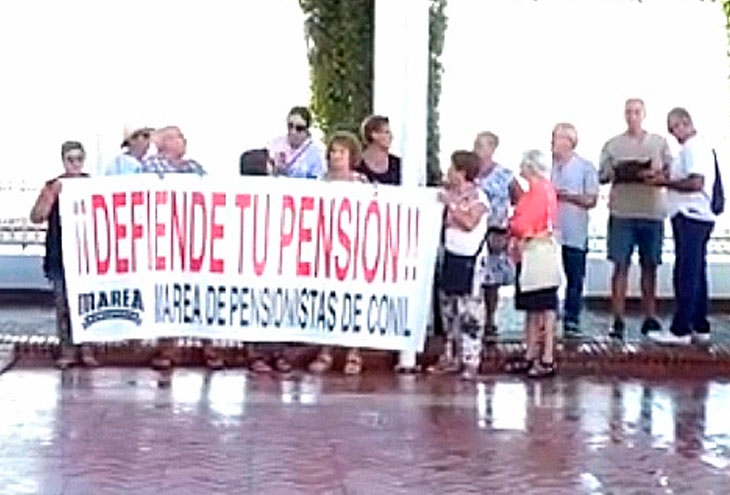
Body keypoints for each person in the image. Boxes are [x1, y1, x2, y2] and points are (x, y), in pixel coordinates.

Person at [141, 126, 222, 370]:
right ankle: (168, 350)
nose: (184, 141)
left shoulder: (194, 167)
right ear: (165, 142)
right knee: (169, 296)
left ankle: (209, 347)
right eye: (179, 137)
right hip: (167, 243)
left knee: (200, 295)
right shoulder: (151, 166)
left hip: (194, 241)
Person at [598, 98, 673, 338]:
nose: (632, 116)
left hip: (652, 212)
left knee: (650, 265)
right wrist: (617, 172)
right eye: (628, 112)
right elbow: (601, 176)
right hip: (622, 212)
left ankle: (650, 316)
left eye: (637, 112)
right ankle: (617, 318)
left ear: (644, 114)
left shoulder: (659, 143)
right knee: (620, 265)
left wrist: (654, 174)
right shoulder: (612, 145)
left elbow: (672, 171)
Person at [647, 108, 716, 345]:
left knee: (686, 272)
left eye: (674, 128)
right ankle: (699, 324)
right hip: (697, 217)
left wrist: (664, 182)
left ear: (684, 123)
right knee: (697, 271)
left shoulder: (693, 148)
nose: (674, 135)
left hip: (691, 216)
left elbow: (696, 182)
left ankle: (681, 329)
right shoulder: (697, 148)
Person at [30, 141, 98, 369]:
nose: (75, 164)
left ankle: (87, 350)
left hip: (87, 257)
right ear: (63, 161)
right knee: (63, 307)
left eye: (79, 159)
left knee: (88, 306)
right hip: (60, 255)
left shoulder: (93, 185)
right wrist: (50, 196)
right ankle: (67, 350)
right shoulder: (53, 186)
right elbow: (36, 217)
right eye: (70, 159)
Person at [308, 131, 368, 376]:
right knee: (327, 300)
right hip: (326, 247)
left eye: (341, 152)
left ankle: (354, 352)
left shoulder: (361, 183)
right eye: (333, 151)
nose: (336, 156)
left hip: (353, 248)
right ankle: (326, 350)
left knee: (353, 300)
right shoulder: (320, 182)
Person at [429, 150, 490, 379]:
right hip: (450, 255)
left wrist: (452, 206)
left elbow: (469, 223)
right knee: (449, 310)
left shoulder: (479, 197)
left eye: (452, 168)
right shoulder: (447, 194)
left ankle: (471, 360)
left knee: (469, 310)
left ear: (462, 172)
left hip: (471, 259)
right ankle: (450, 356)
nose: (448, 172)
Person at [505, 150, 560, 378]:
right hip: (531, 251)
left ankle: (546, 356)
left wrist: (513, 227)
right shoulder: (537, 191)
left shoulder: (540, 191)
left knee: (543, 305)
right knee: (532, 306)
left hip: (537, 251)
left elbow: (524, 223)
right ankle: (531, 353)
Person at [551, 123, 599, 338]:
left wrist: (567, 196)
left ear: (570, 142)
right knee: (549, 276)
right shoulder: (547, 166)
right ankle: (549, 316)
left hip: (575, 231)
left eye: (557, 138)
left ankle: (572, 319)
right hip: (551, 232)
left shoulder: (585, 167)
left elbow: (591, 199)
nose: (553, 142)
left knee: (575, 277)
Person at [474, 131, 522, 339]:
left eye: (481, 145)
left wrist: (510, 226)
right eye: (476, 144)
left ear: (492, 148)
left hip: (495, 232)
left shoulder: (505, 175)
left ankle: (490, 319)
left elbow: (520, 200)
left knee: (491, 280)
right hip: (472, 230)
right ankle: (473, 319)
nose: (477, 149)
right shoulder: (470, 172)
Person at [267, 106, 325, 179]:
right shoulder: (274, 144)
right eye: (290, 126)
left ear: (307, 129)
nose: (293, 131)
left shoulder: (316, 153)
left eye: (299, 128)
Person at [355, 115, 401, 185]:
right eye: (386, 132)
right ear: (374, 134)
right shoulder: (357, 163)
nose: (391, 137)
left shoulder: (398, 164)